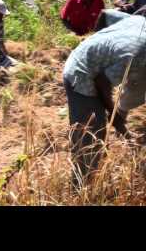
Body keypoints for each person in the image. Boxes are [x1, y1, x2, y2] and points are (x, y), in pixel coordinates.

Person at [63, 15, 146, 189]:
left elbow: (106, 15)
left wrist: (103, 50)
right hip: (81, 73)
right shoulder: (139, 55)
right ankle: (79, 191)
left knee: (99, 133)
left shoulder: (141, 20)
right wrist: (115, 118)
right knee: (90, 143)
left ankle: (96, 177)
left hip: (93, 60)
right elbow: (102, 82)